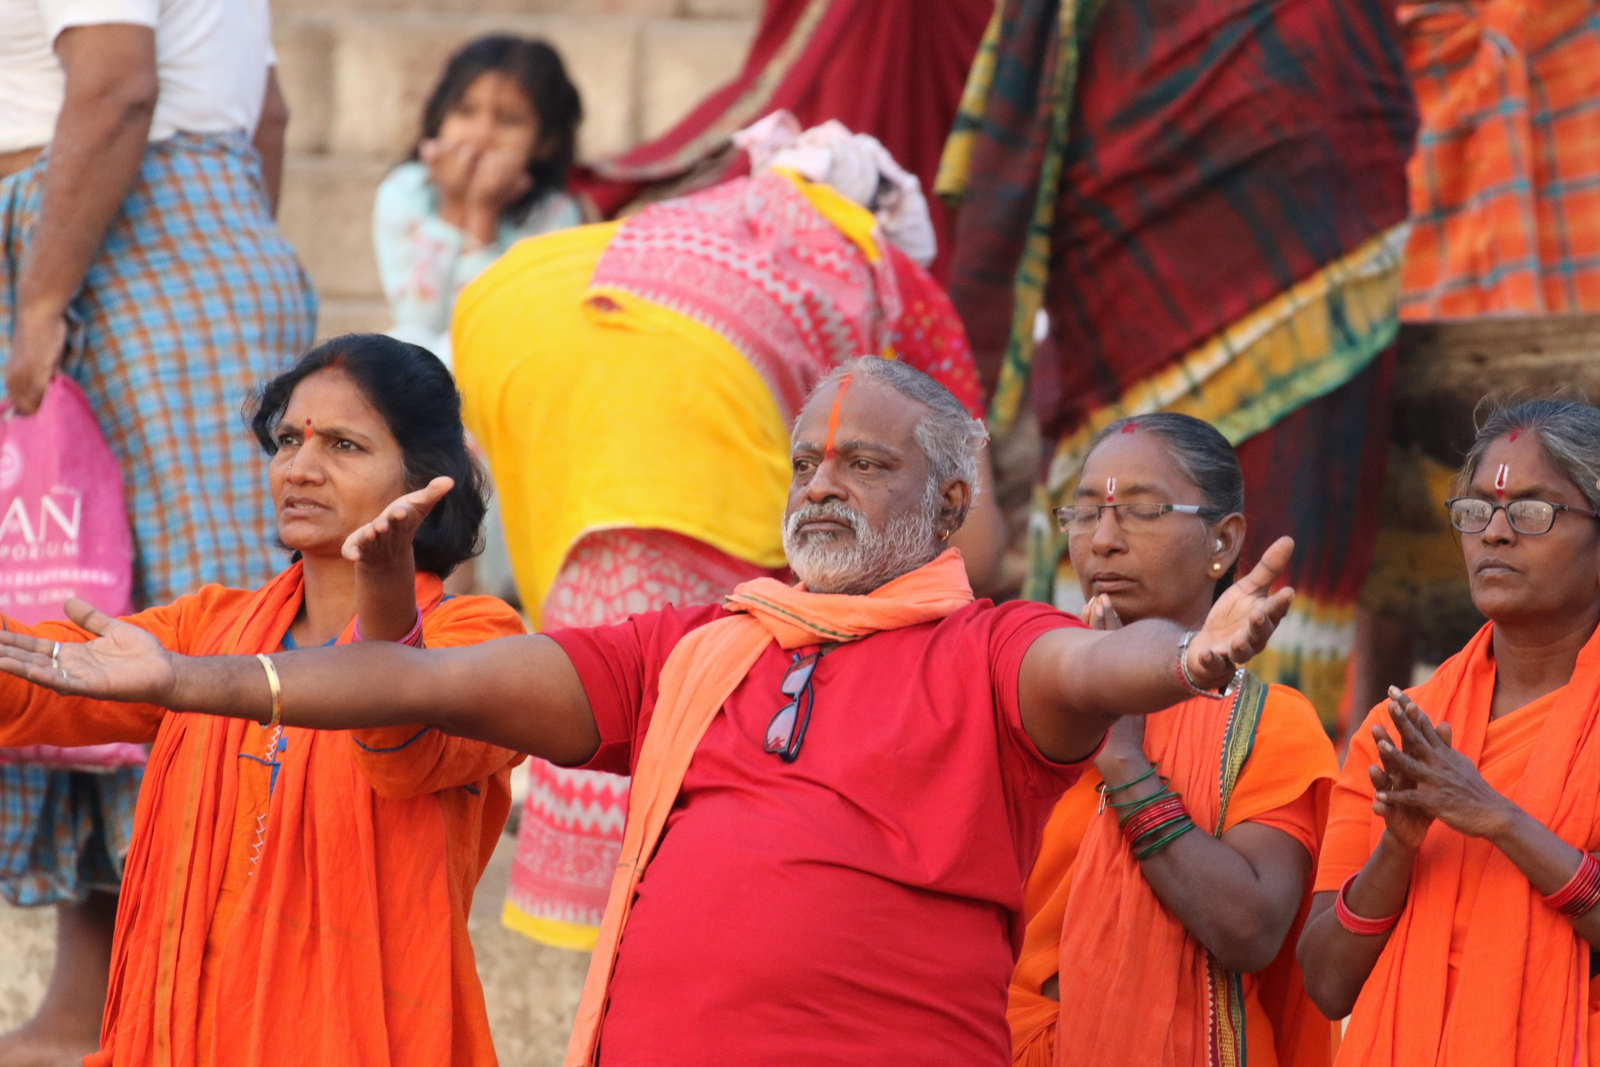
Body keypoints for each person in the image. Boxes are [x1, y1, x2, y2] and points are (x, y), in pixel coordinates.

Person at [0, 358, 1301, 1066]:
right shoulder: (700, 643)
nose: (823, 482)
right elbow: (421, 681)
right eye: (806, 460)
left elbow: (1097, 666)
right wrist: (181, 681)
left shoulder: (993, 648)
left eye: (864, 460)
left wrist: (1190, 657)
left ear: (951, 505)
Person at [452, 113, 1008, 949]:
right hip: (694, 406)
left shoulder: (708, 221)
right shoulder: (891, 273)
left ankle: (627, 919)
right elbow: (981, 535)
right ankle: (693, 907)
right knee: (730, 684)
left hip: (520, 323)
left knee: (622, 657)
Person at [0, 335, 523, 1067]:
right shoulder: (211, 625)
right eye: (286, 440)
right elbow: (26, 684)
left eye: (343, 445)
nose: (299, 468)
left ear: (425, 481)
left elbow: (400, 747)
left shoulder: (477, 636)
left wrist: (385, 591)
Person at [937, 0, 1418, 726]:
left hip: (1314, 240)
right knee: (1115, 487)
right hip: (1136, 230)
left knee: (1271, 514)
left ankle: (1254, 746)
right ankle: (1100, 707)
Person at [0, 1, 315, 1059]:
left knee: (192, 644)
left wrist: (42, 296)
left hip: (117, 236)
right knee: (70, 595)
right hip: (157, 236)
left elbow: (120, 82)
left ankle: (217, 996)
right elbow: (266, 110)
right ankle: (95, 993)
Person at [1009, 413, 1339, 1067]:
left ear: (1224, 538)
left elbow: (1251, 926)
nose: (1102, 540)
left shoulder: (1269, 724)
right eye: (1083, 514)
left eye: (1141, 511)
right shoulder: (1023, 695)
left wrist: (1128, 768)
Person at [1297, 398, 1600, 1066]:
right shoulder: (1398, 730)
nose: (1494, 533)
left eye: (1531, 510)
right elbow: (1325, 981)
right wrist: (1398, 848)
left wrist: (1497, 818)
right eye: (1475, 512)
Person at [374, 34, 584, 362]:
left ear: (545, 142)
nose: (482, 134)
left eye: (508, 121)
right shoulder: (406, 190)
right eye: (465, 112)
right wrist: (454, 206)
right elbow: (418, 318)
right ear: (440, 118)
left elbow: (491, 325)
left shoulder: (554, 213)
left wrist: (482, 213)